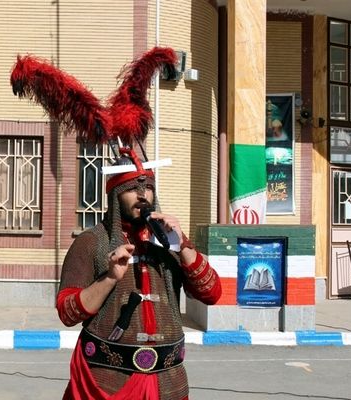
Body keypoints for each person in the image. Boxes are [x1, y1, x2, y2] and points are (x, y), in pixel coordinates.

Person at [11, 45, 222, 399]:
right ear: (113, 195)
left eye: (148, 188)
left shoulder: (169, 242)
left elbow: (213, 294)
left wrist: (182, 247)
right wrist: (110, 277)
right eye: (133, 189)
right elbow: (67, 311)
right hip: (105, 382)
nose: (143, 195)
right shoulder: (91, 242)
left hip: (168, 381)